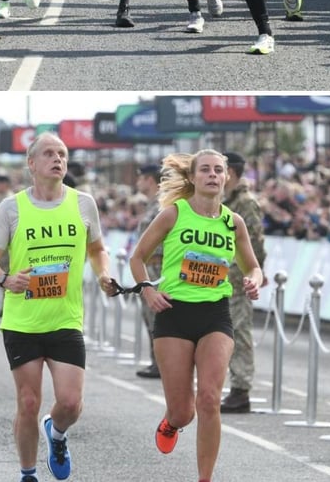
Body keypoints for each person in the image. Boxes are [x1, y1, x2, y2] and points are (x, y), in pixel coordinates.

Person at [0, 132, 115, 482]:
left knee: (70, 404)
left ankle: (57, 433)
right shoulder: (12, 208)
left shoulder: (83, 203)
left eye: (63, 154)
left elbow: (98, 249)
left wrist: (103, 275)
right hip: (22, 321)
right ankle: (28, 473)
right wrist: (6, 280)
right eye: (49, 154)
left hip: (65, 319)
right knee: (27, 402)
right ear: (32, 163)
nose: (58, 159)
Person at [129, 149, 263, 482]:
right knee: (184, 411)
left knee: (209, 399)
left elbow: (254, 266)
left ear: (227, 177)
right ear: (192, 177)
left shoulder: (234, 222)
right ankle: (171, 421)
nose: (213, 175)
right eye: (205, 170)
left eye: (219, 170)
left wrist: (253, 281)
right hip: (174, 314)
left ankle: (205, 478)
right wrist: (147, 290)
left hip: (215, 315)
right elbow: (138, 257)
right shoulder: (173, 214)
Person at [219, 151, 267, 413]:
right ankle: (234, 386)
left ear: (232, 174)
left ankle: (241, 389)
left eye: (221, 170)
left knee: (240, 334)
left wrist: (254, 273)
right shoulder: (226, 200)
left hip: (238, 280)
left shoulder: (245, 203)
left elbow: (255, 242)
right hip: (223, 279)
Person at [132, 164, 163, 379]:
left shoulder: (163, 205)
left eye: (141, 178)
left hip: (158, 268)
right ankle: (157, 361)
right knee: (149, 317)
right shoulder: (153, 204)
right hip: (148, 267)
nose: (138, 182)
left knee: (157, 317)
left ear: (150, 179)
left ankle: (161, 362)